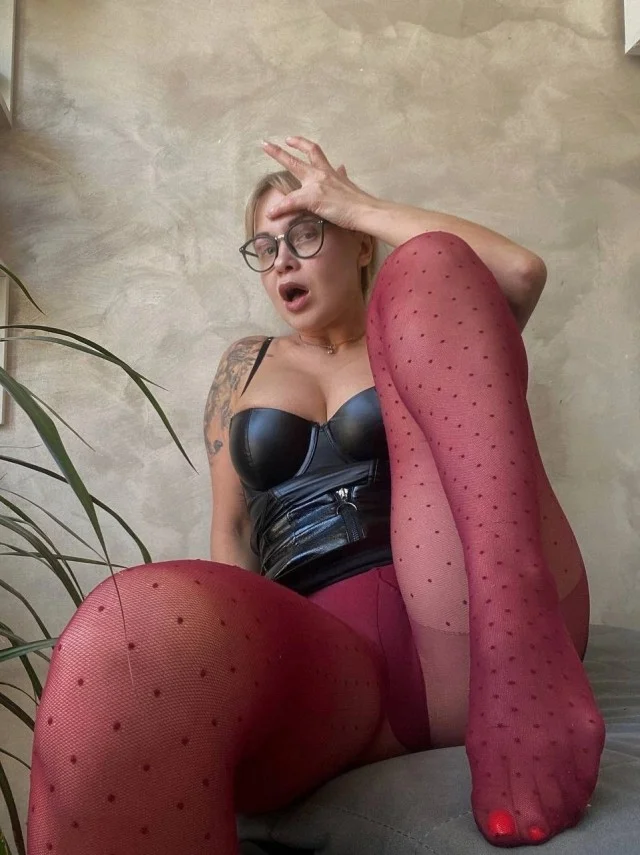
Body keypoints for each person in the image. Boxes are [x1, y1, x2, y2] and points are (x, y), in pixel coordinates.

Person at [26, 137, 605, 855]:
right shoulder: (244, 365)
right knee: (130, 624)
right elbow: (232, 532)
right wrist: (240, 664)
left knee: (429, 263)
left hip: (461, 616)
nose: (283, 261)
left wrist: (357, 204)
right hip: (333, 672)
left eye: (305, 232)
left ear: (359, 244)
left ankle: (522, 654)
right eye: (264, 248)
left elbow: (518, 271)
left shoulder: (418, 329)